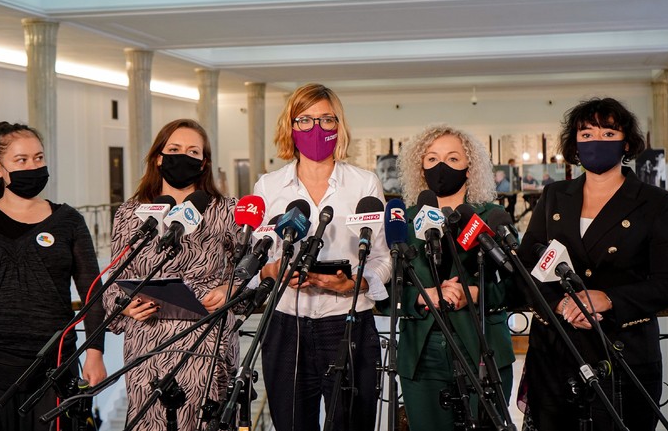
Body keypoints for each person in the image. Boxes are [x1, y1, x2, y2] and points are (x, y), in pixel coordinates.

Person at [516, 97, 668, 430]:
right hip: (556, 352)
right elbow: (525, 269)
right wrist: (562, 303)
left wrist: (608, 298)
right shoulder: (553, 196)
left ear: (627, 143)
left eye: (609, 134)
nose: (597, 141)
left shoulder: (654, 203)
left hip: (622, 354)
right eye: (587, 134)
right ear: (575, 144)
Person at [0, 122, 106, 430]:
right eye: (22, 160)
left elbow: (93, 294)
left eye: (38, 158)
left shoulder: (69, 221)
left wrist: (95, 352)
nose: (33, 166)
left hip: (56, 369)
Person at [254, 83, 392, 431]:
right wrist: (274, 271)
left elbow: (383, 258)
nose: (316, 128)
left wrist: (356, 284)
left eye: (326, 119)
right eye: (305, 119)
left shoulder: (364, 184)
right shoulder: (268, 186)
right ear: (290, 126)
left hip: (348, 323)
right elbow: (259, 259)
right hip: (285, 325)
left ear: (338, 125)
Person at [102, 119, 241, 430]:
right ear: (158, 157)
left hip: (206, 340)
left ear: (204, 162)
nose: (183, 157)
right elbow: (114, 280)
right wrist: (125, 306)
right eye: (175, 149)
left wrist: (230, 290)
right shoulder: (130, 213)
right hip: (146, 343)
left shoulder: (226, 210)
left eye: (193, 151)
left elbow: (247, 270)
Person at [394, 125, 515, 430]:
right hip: (422, 353)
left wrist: (477, 293)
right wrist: (422, 296)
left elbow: (520, 285)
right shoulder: (404, 221)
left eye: (452, 158)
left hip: (483, 346)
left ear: (469, 167)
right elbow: (383, 291)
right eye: (432, 159)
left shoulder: (492, 216)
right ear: (420, 168)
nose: (441, 167)